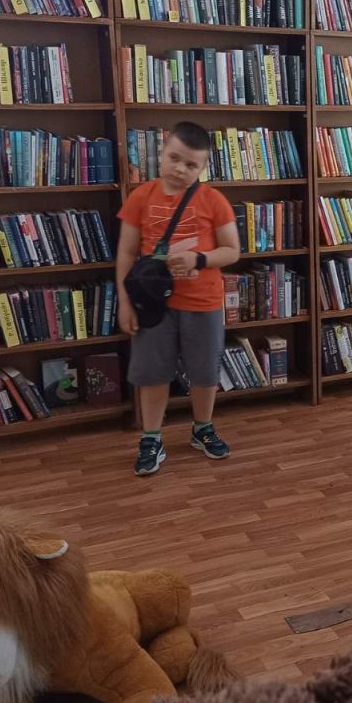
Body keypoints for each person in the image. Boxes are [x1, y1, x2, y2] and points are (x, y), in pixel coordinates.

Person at [116, 121, 241, 475]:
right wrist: (124, 302)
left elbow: (232, 250)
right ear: (162, 152)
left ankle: (203, 427)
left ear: (203, 167)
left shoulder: (213, 200)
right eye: (174, 158)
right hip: (153, 303)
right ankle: (151, 437)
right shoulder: (140, 197)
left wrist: (199, 259)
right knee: (152, 373)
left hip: (203, 302)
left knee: (204, 371)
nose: (180, 169)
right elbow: (126, 253)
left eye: (191, 165)